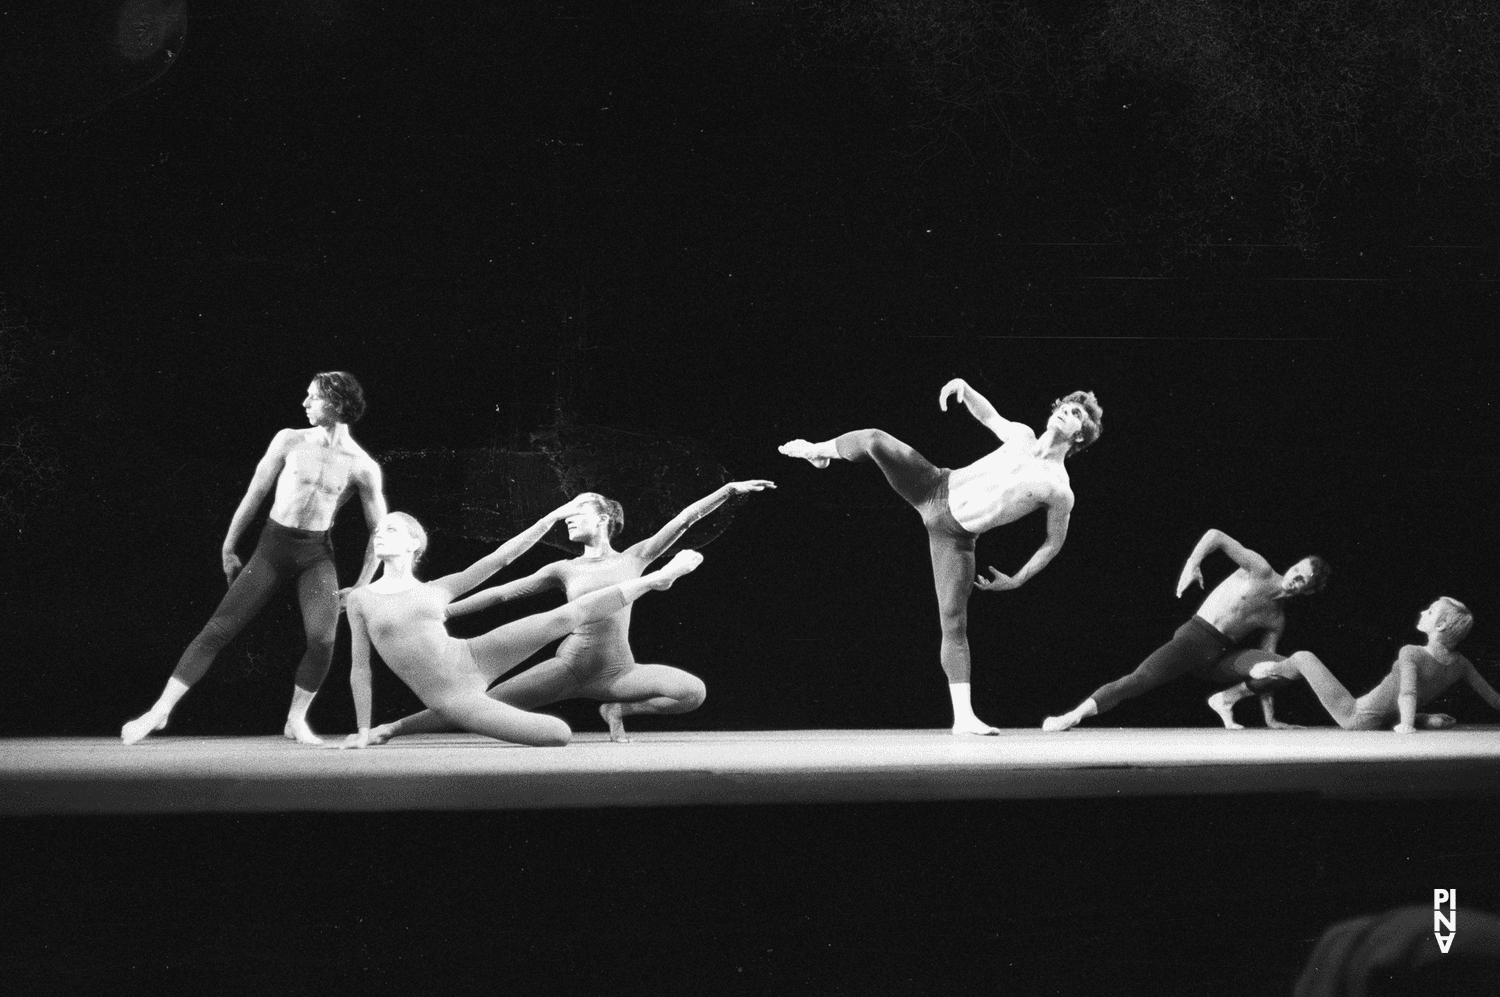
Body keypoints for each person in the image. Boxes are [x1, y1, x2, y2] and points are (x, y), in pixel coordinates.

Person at [780, 378, 1102, 734]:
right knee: (873, 438)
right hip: (933, 485)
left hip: (955, 537)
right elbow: (990, 416)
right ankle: (819, 451)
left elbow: (1053, 543)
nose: (1065, 412)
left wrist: (1017, 579)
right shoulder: (1022, 436)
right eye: (1065, 406)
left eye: (1076, 414)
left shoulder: (1059, 489)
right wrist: (966, 388)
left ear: (1079, 436)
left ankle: (963, 718)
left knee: (954, 623)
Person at [365, 480, 774, 744]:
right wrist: (436, 610)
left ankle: (618, 709)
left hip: (617, 672)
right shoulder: (563, 568)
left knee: (691, 693)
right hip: (566, 669)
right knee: (474, 702)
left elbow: (684, 520)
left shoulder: (636, 556)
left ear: (605, 518)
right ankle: (393, 728)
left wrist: (728, 490)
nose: (570, 519)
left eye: (580, 512)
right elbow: (502, 594)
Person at [122, 372, 386, 745]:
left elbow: (379, 531)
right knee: (219, 629)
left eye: (313, 397)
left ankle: (296, 719)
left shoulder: (362, 466)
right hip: (272, 548)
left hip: (315, 554)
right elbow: (255, 492)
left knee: (323, 640)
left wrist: (362, 584)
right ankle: (159, 710)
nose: (305, 403)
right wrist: (229, 546)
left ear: (338, 404)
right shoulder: (290, 440)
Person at [1043, 528, 1329, 731]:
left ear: (1307, 591)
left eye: (1302, 580)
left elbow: (1269, 667)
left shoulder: (1276, 618)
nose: (1294, 578)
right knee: (1139, 680)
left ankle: (1225, 699)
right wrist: (1193, 563)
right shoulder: (1260, 570)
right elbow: (1216, 536)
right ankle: (1073, 715)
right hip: (1194, 640)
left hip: (1219, 659)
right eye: (1296, 570)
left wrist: (1270, 718)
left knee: (1286, 667)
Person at [1223, 597, 1500, 732]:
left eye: (1430, 611)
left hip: (1355, 716)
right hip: (1384, 719)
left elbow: (1408, 692)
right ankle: (1419, 718)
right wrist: (1409, 720)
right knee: (1298, 666)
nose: (1422, 612)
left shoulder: (1412, 652)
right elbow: (1493, 698)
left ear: (1440, 625)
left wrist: (1407, 726)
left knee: (1303, 657)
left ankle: (1269, 669)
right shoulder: (1461, 664)